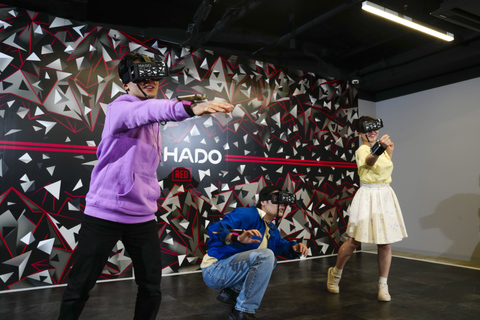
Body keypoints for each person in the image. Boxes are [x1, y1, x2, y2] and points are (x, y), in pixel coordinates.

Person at [58, 52, 234, 320]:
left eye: (154, 74)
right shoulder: (120, 107)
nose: (150, 79)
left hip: (141, 216)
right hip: (104, 213)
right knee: (80, 286)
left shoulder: (151, 121)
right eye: (142, 73)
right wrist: (188, 107)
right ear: (127, 81)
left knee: (151, 286)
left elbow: (150, 114)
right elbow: (146, 111)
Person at [326, 116, 407, 302]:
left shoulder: (386, 148)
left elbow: (382, 168)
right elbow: (370, 161)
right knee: (354, 241)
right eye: (367, 130)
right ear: (360, 133)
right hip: (368, 194)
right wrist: (380, 147)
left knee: (385, 243)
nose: (372, 132)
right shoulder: (362, 149)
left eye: (374, 129)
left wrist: (387, 150)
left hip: (385, 194)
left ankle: (383, 285)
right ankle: (335, 274)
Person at [201, 185, 309, 320]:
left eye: (284, 202)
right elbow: (215, 229)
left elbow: (282, 246)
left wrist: (294, 247)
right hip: (215, 269)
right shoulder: (248, 214)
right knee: (266, 256)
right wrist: (237, 236)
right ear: (263, 201)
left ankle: (232, 292)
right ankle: (242, 311)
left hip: (228, 270)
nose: (282, 205)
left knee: (271, 258)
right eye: (277, 199)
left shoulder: (271, 229)